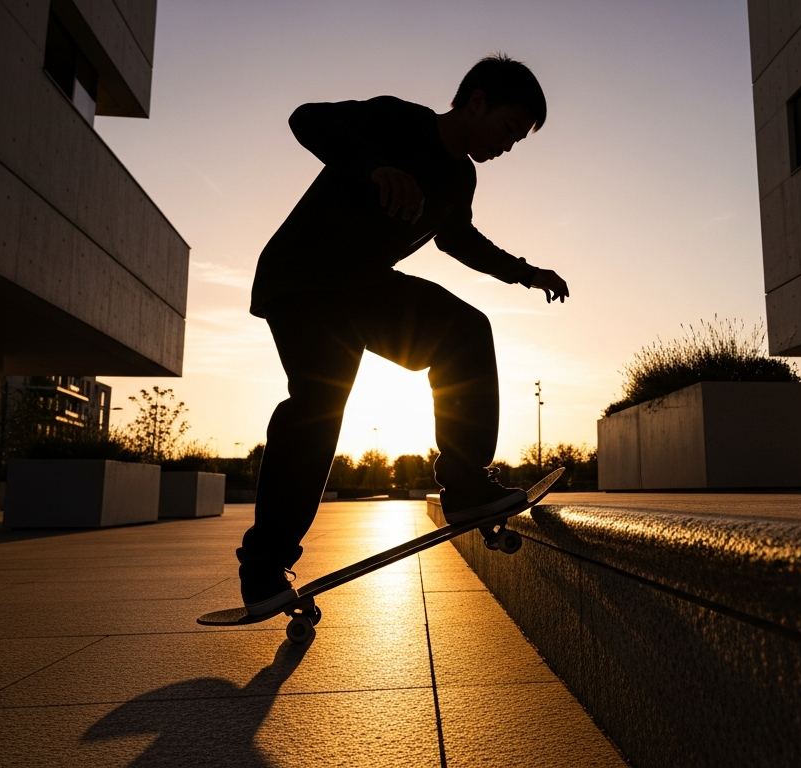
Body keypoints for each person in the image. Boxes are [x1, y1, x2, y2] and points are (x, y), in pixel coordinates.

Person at [237, 54, 569, 615]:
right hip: (301, 277)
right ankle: (264, 565)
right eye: (509, 129)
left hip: (362, 288)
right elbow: (306, 118)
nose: (508, 146)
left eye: (518, 141)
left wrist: (526, 272)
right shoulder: (399, 120)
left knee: (464, 331)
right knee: (319, 402)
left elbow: (457, 239)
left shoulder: (460, 176)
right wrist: (374, 167)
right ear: (478, 100)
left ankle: (464, 484)